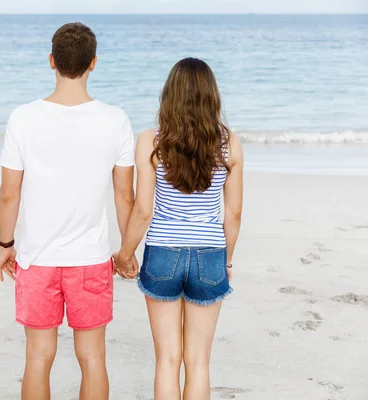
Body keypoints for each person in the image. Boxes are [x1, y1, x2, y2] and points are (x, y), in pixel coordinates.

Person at [0, 22, 137, 400]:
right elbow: (125, 197)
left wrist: (5, 243)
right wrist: (127, 251)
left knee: (38, 357)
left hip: (37, 258)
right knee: (93, 357)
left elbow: (10, 194)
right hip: (90, 260)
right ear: (93, 63)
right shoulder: (115, 120)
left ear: (51, 61)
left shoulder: (23, 118)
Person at [114, 58, 244, 400]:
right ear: (211, 97)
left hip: (162, 254)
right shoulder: (229, 143)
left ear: (168, 95)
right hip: (210, 254)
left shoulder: (151, 142)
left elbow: (143, 210)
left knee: (167, 361)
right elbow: (234, 213)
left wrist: (125, 255)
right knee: (199, 361)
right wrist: (226, 261)